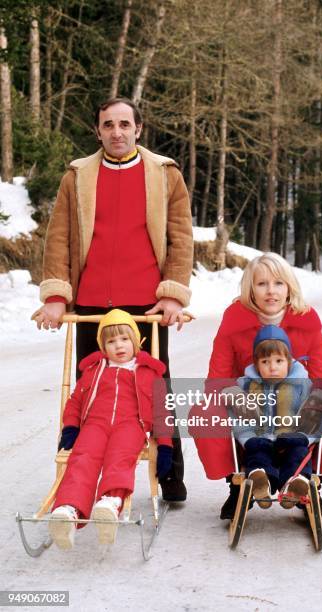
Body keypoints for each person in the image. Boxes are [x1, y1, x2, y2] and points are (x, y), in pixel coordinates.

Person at [33, 97, 193, 502]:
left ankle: (169, 472)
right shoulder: (77, 175)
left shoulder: (164, 173)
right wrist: (55, 295)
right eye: (108, 125)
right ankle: (83, 471)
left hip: (145, 303)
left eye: (125, 124)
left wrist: (173, 293)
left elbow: (181, 237)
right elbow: (59, 237)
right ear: (98, 130)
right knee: (92, 389)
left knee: (154, 389)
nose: (117, 132)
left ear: (139, 129)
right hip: (91, 304)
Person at [193, 252, 322, 519]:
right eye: (262, 284)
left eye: (278, 283)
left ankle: (309, 483)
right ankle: (238, 484)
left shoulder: (306, 322)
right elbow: (217, 379)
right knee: (202, 413)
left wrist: (316, 399)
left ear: (289, 287)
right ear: (250, 289)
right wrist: (236, 397)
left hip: (296, 407)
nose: (271, 291)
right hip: (251, 411)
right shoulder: (233, 324)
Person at [49, 309, 173, 550]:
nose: (119, 345)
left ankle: (110, 502)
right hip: (94, 424)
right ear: (103, 347)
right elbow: (75, 401)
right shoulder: (94, 370)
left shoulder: (148, 373)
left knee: (120, 457)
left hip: (131, 426)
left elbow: (161, 412)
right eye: (111, 341)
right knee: (82, 458)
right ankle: (69, 510)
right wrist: (71, 427)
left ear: (136, 341)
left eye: (124, 339)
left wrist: (165, 445)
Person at [225, 325, 322, 509]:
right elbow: (237, 417)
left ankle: (295, 484)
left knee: (298, 453)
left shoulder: (303, 385)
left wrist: (305, 437)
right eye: (265, 362)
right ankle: (260, 481)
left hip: (290, 441)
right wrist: (247, 439)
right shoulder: (246, 386)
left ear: (289, 362)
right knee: (256, 454)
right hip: (260, 439)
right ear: (256, 364)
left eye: (279, 361)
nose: (272, 367)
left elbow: (315, 417)